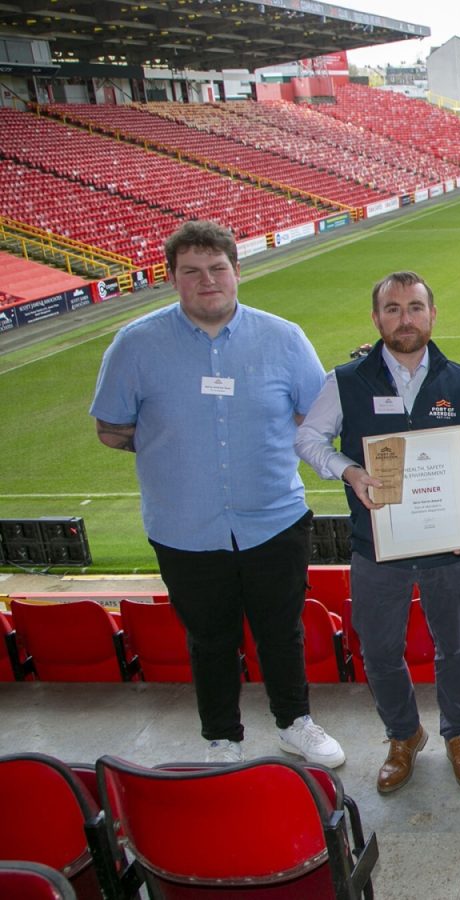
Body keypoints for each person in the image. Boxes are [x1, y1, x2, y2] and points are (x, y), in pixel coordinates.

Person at [90, 220, 345, 767]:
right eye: (192, 272)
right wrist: (168, 444)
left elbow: (313, 416)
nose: (208, 281)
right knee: (209, 639)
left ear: (236, 270)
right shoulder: (135, 344)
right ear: (172, 278)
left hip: (274, 516)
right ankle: (222, 737)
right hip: (184, 524)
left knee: (282, 630)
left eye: (217, 269)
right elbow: (110, 428)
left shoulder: (283, 337)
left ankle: (294, 722)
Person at [294, 271, 460, 793]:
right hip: (376, 544)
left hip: (447, 543)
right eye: (394, 308)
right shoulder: (347, 380)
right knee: (379, 649)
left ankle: (458, 735)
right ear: (377, 318)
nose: (406, 318)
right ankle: (404, 735)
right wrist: (348, 471)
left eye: (416, 307)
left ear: (433, 314)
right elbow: (309, 437)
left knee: (455, 645)